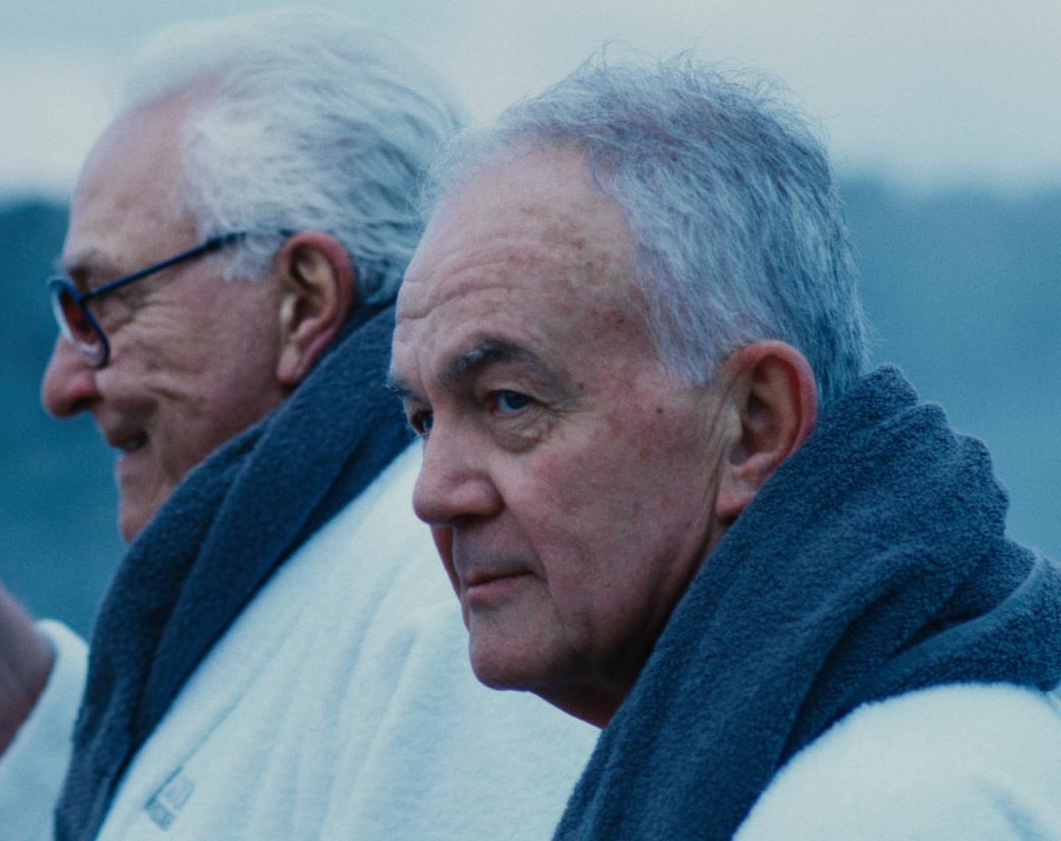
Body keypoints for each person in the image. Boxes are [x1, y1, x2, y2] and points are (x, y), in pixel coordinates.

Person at [0, 9, 596, 840]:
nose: (61, 385)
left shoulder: (450, 597)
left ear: (304, 301)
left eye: (101, 302)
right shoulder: (345, 564)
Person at [389, 57, 1061, 839]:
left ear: (753, 424)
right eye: (424, 420)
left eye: (510, 401)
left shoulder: (891, 810)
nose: (433, 494)